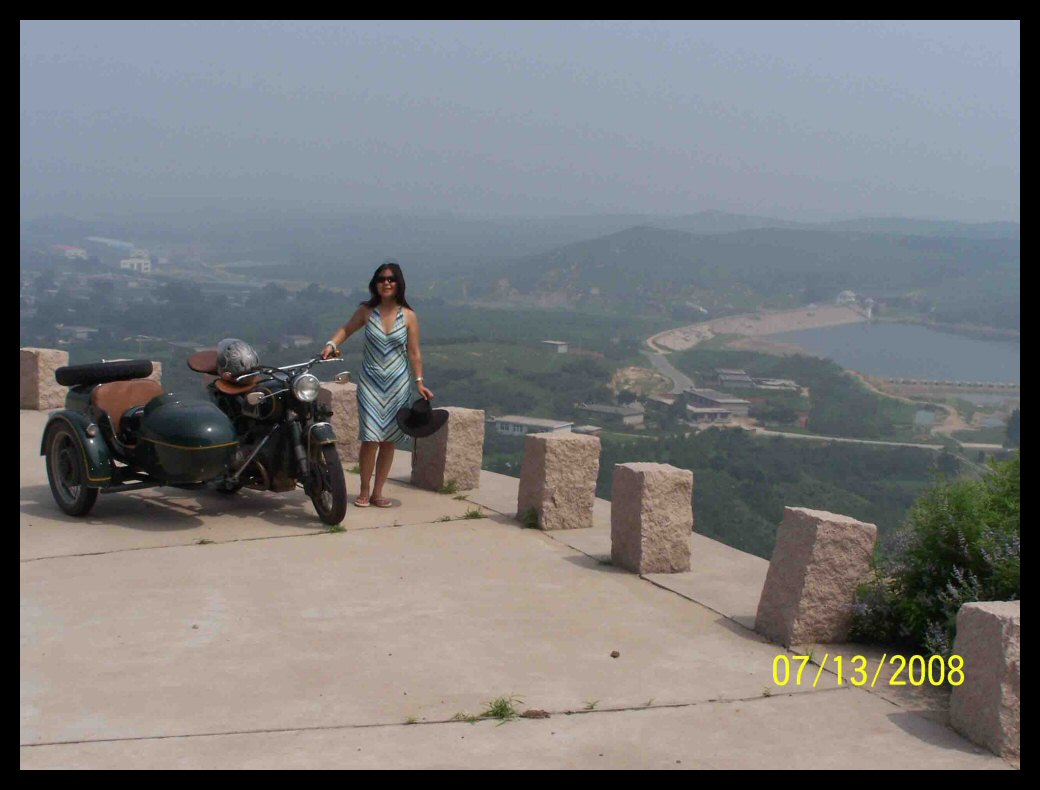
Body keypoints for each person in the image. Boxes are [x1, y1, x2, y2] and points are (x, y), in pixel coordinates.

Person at [321, 260, 434, 507]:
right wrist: (331, 344)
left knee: (388, 440)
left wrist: (419, 382)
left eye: (391, 279)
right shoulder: (366, 311)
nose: (387, 283)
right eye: (382, 279)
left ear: (399, 283)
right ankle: (364, 489)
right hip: (370, 383)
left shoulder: (409, 316)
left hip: (398, 385)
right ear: (375, 284)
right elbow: (346, 329)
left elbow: (414, 352)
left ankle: (378, 492)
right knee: (370, 437)